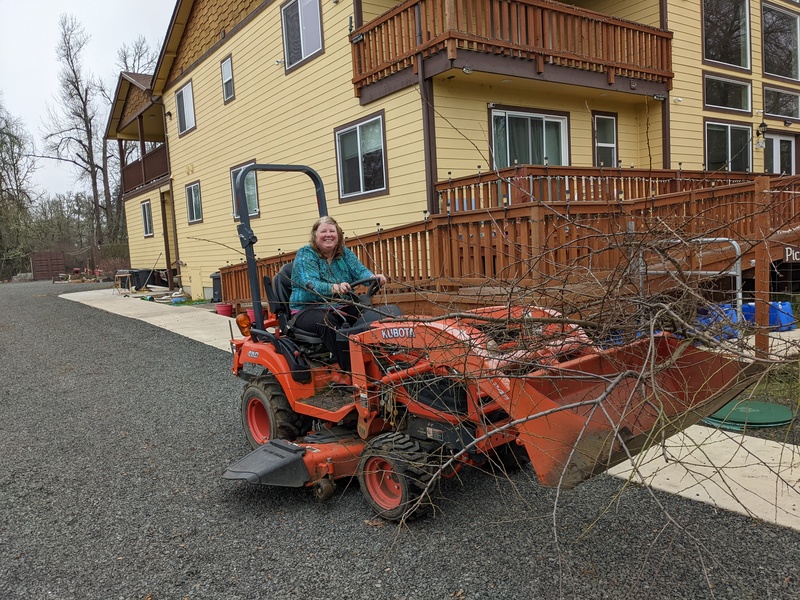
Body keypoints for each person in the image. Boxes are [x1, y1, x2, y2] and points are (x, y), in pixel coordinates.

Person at [289, 216, 386, 371]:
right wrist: (334, 288)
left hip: (340, 305)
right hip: (308, 308)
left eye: (332, 231)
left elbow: (360, 271)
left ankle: (383, 361)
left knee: (370, 314)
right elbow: (310, 283)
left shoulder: (344, 254)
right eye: (323, 231)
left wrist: (373, 278)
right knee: (327, 322)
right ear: (315, 235)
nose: (328, 234)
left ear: (338, 235)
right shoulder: (306, 254)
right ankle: (352, 372)